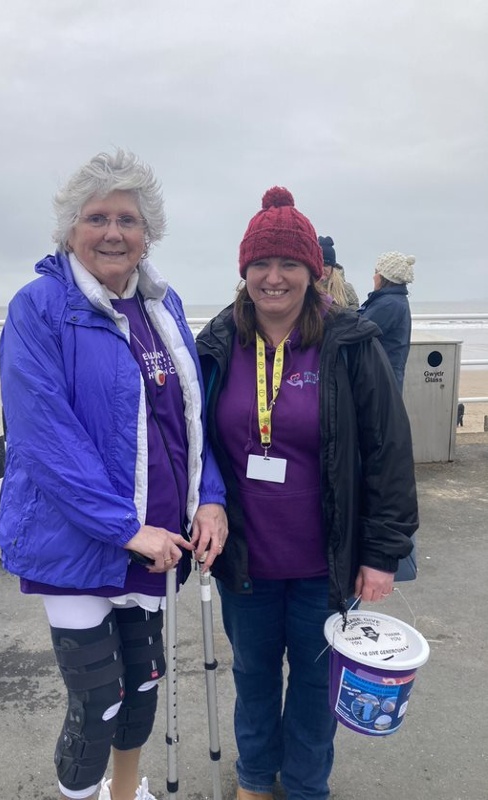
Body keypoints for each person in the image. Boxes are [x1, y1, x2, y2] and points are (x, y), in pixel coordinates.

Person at [0, 149, 228, 800]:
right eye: (96, 217)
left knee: (143, 688)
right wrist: (125, 527)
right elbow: (46, 438)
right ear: (70, 230)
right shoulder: (39, 307)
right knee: (98, 701)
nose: (112, 232)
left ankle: (126, 794)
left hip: (154, 540)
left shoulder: (163, 304)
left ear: (147, 231)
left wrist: (208, 498)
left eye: (127, 218)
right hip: (78, 544)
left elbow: (190, 420)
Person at [196, 187, 418, 800]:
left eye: (289, 264)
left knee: (319, 691)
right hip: (245, 563)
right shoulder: (215, 345)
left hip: (328, 564)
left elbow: (389, 455)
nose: (274, 278)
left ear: (312, 272)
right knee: (255, 677)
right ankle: (253, 781)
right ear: (243, 273)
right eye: (260, 265)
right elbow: (192, 446)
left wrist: (382, 554)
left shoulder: (351, 343)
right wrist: (201, 502)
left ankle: (305, 786)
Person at [358, 251, 415, 392]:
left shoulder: (388, 304)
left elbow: (358, 329)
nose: (373, 276)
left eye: (376, 272)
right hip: (388, 375)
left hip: (381, 378)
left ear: (385, 277)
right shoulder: (395, 300)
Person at [317, 236, 359, 309]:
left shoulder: (346, 289)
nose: (322, 269)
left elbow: (355, 313)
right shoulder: (306, 287)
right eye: (319, 264)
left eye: (326, 265)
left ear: (332, 267)